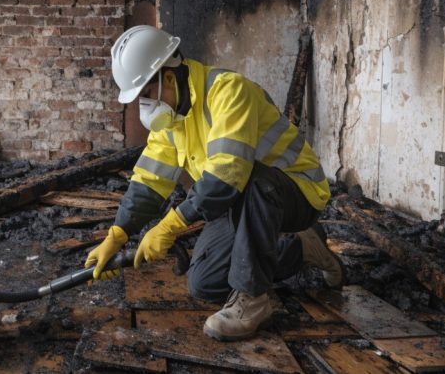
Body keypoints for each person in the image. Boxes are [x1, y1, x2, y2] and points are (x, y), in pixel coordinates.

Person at [85, 25, 343, 341]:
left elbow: (227, 175)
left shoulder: (228, 91)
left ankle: (253, 300)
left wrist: (169, 226)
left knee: (254, 182)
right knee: (205, 283)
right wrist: (118, 233)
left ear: (168, 76)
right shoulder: (173, 120)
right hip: (239, 201)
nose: (146, 107)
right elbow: (149, 181)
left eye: (147, 95)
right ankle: (302, 247)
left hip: (295, 192)